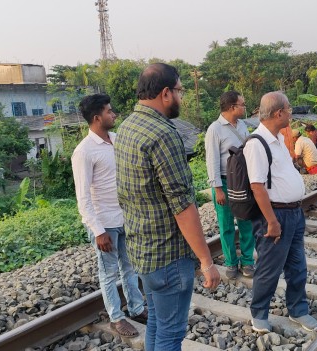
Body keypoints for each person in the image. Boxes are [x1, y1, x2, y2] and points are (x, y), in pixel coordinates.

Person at [114, 63, 220, 351]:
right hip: (169, 256)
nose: (181, 98)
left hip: (143, 252)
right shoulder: (163, 133)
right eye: (180, 91)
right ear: (165, 93)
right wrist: (207, 262)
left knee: (158, 325)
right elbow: (182, 206)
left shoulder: (126, 127)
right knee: (171, 335)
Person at [71, 94, 147, 338]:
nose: (114, 114)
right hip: (105, 224)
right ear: (97, 118)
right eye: (109, 111)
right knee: (108, 273)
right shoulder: (83, 151)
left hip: (125, 217)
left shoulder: (116, 139)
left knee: (130, 267)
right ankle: (116, 318)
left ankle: (136, 308)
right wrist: (98, 230)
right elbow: (82, 197)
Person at [244, 91, 317, 333]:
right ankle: (259, 314)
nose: (290, 113)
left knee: (297, 265)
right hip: (276, 215)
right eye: (288, 109)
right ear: (278, 113)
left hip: (294, 214)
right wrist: (271, 221)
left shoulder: (278, 140)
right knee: (269, 267)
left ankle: (298, 309)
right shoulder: (257, 143)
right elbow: (257, 186)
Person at [204, 91, 255, 279]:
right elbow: (212, 161)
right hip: (224, 183)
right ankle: (231, 262)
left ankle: (248, 261)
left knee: (246, 221)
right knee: (226, 225)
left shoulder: (242, 125)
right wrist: (217, 188)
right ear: (232, 107)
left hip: (242, 182)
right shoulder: (215, 129)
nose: (244, 107)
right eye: (242, 104)